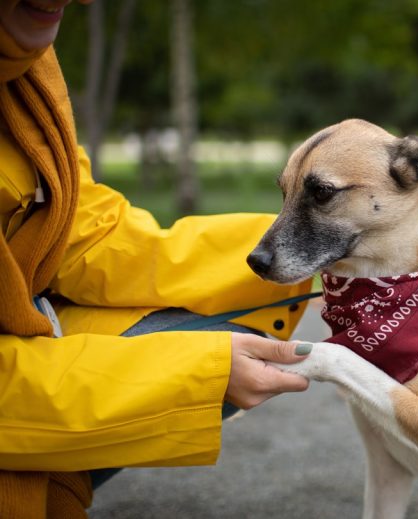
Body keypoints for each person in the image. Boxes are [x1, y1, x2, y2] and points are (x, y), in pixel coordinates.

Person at [0, 1, 314, 517]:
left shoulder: (24, 63)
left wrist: (297, 247)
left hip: (36, 342)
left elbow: (82, 231)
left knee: (231, 333)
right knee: (212, 357)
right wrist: (195, 378)